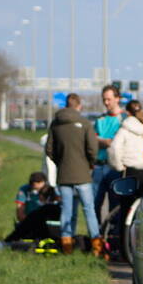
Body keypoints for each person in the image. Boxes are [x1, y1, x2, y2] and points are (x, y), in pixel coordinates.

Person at [45, 93, 101, 256]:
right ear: (79, 105)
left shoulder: (55, 124)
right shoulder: (85, 123)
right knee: (89, 209)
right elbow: (93, 148)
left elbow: (49, 149)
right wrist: (90, 163)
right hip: (83, 174)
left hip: (64, 175)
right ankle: (96, 246)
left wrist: (60, 162)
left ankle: (67, 246)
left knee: (67, 211)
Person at [108, 99, 143, 213]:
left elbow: (114, 148)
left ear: (127, 112)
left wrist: (119, 166)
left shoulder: (124, 130)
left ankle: (123, 229)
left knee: (126, 206)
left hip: (130, 172)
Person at [93, 85, 124, 222]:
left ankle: (112, 236)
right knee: (94, 203)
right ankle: (96, 236)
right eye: (104, 100)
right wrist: (105, 141)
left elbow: (117, 142)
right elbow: (92, 139)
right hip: (98, 166)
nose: (106, 103)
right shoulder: (100, 120)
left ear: (117, 99)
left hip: (114, 167)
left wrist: (103, 140)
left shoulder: (124, 119)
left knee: (115, 205)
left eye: (109, 99)